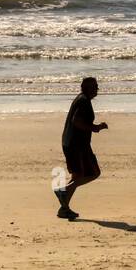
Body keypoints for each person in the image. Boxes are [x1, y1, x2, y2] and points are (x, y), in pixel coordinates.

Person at [53, 76, 108, 220]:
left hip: (70, 143)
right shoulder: (83, 101)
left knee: (77, 176)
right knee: (93, 173)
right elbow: (76, 121)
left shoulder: (82, 99)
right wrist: (95, 128)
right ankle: (63, 191)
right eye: (94, 86)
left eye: (96, 85)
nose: (97, 89)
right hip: (77, 145)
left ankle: (63, 209)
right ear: (86, 88)